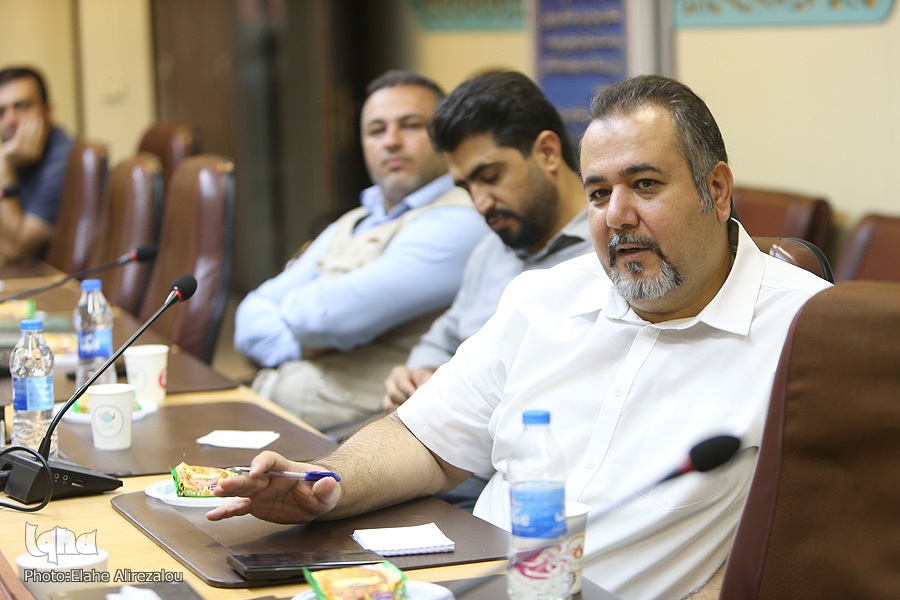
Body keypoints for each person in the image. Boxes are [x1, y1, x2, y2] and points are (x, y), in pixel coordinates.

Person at [210, 75, 832, 599]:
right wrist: (322, 483)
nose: (617, 216)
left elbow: (812, 553)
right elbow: (424, 439)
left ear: (715, 190)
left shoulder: (812, 334)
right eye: (598, 193)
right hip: (470, 581)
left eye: (645, 185)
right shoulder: (543, 297)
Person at [234, 70, 488, 431]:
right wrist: (309, 342)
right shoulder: (355, 220)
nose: (392, 142)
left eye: (411, 126)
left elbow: (330, 318)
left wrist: (305, 321)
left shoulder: (459, 219)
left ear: (447, 135)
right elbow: (250, 317)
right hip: (281, 413)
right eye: (376, 130)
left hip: (358, 435)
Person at [382, 71, 592, 412]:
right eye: (466, 187)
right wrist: (418, 373)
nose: (480, 204)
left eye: (490, 177)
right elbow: (443, 338)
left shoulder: (610, 252)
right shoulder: (490, 250)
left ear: (548, 152)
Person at [0, 66, 73, 264]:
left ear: (48, 111)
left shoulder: (65, 160)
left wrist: (4, 166)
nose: (10, 120)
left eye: (22, 106)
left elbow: (15, 250)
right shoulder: (16, 157)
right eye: (1, 112)